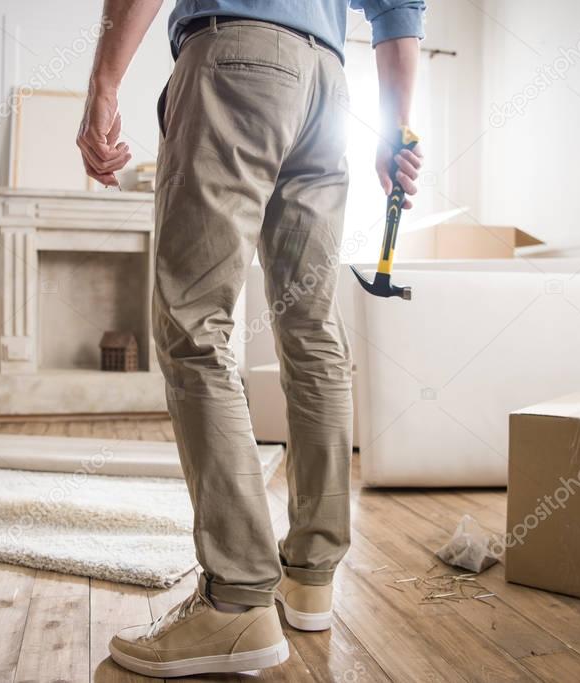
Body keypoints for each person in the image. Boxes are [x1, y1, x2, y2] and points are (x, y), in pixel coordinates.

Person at [77, 0, 425, 676]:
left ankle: (235, 604)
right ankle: (310, 575)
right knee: (311, 328)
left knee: (194, 324)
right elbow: (397, 7)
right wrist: (396, 130)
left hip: (236, 60)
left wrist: (104, 84)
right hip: (326, 83)